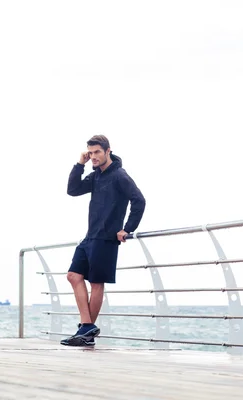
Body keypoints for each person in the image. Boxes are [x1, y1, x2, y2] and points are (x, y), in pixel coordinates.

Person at [60, 134, 146, 346]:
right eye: (90, 153)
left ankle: (86, 331)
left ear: (108, 151)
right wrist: (80, 164)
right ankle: (87, 326)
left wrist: (127, 228)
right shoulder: (96, 175)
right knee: (73, 276)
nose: (94, 156)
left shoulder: (119, 176)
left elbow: (139, 200)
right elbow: (73, 190)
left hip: (106, 237)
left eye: (97, 152)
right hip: (90, 236)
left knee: (96, 283)